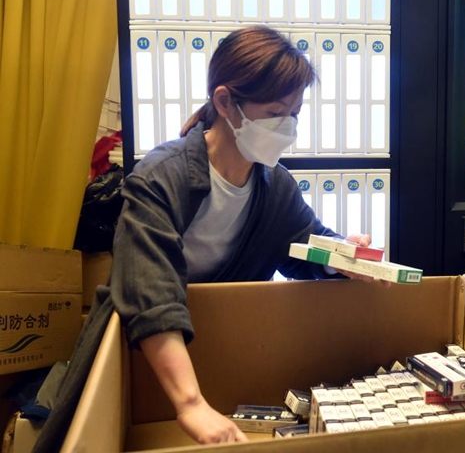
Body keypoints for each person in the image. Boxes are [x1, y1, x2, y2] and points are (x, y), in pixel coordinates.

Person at [33, 25, 382, 450]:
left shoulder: (275, 186)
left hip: (229, 355)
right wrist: (191, 403)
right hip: (148, 360)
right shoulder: (162, 177)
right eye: (276, 112)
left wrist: (344, 255)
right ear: (225, 102)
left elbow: (305, 244)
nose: (288, 126)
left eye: (295, 113)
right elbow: (151, 294)